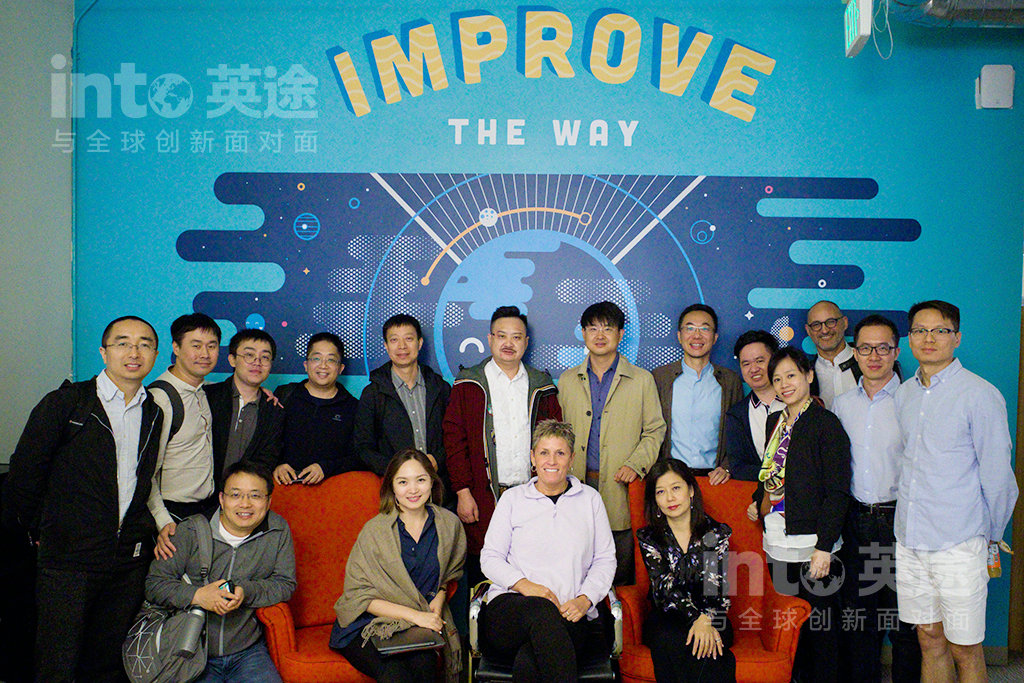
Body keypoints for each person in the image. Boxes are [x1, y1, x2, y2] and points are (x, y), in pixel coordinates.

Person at [4, 316, 163, 682]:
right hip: (70, 558)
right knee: (57, 663)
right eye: (123, 343)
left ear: (155, 354)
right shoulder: (67, 403)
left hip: (126, 562)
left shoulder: (153, 410)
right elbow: (24, 474)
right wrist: (40, 530)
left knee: (106, 664)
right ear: (103, 352)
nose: (134, 352)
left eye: (144, 344)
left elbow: (143, 479)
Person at [894, 300, 1018, 683]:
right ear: (910, 338)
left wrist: (989, 536)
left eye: (940, 330)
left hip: (959, 543)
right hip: (910, 540)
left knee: (966, 648)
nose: (928, 338)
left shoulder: (979, 394)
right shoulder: (905, 394)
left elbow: (999, 479)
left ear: (957, 337)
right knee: (928, 639)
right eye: (919, 330)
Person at [480, 420, 616, 682]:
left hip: (570, 612)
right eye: (544, 452)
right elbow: (490, 558)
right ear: (533, 457)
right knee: (542, 611)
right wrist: (529, 587)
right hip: (511, 608)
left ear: (572, 459)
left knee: (529, 663)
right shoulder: (512, 499)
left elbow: (605, 560)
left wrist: (585, 599)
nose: (551, 461)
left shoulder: (590, 499)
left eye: (560, 453)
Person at [746, 346, 851, 683]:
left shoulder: (825, 423)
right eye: (777, 379)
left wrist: (824, 547)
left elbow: (837, 491)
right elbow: (769, 472)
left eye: (791, 375)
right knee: (791, 629)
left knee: (822, 630)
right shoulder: (776, 421)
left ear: (808, 375)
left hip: (813, 546)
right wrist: (758, 500)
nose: (784, 384)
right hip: (778, 542)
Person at [145, 461, 296, 682]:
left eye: (255, 496)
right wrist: (198, 596)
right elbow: (154, 584)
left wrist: (246, 591)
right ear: (222, 499)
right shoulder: (189, 530)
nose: (245, 504)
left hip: (248, 651)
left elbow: (285, 584)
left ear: (268, 501)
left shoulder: (277, 529)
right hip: (192, 651)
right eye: (236, 495)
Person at [443, 305, 561, 581]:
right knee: (485, 570)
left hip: (533, 494)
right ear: (490, 339)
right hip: (483, 496)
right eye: (502, 336)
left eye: (516, 337)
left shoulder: (541, 385)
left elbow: (555, 440)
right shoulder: (469, 383)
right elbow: (454, 439)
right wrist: (462, 492)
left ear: (526, 342)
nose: (509, 343)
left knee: (534, 569)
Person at [833, 314, 920, 683]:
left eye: (883, 348)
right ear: (855, 352)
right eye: (866, 348)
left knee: (904, 621)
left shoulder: (914, 400)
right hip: (855, 521)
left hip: (900, 521)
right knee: (859, 620)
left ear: (897, 352)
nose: (874, 356)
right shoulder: (841, 405)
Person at [331, 450, 466, 683]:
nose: (413, 490)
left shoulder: (449, 524)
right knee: (394, 674)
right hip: (366, 623)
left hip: (416, 625)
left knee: (425, 666)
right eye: (403, 482)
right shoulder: (375, 531)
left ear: (432, 482)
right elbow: (360, 597)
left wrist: (440, 594)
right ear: (392, 487)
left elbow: (449, 574)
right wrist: (417, 616)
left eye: (420, 480)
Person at [557, 301, 665, 584]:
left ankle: (618, 615)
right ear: (583, 333)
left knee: (619, 569)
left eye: (608, 328)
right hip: (575, 484)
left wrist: (635, 464)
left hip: (620, 487)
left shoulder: (641, 380)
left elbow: (655, 430)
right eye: (593, 328)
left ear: (620, 334)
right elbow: (558, 434)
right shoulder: (567, 380)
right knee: (574, 568)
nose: (600, 335)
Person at [638, 459, 736, 683]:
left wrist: (705, 619)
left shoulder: (715, 534)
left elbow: (717, 589)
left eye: (676, 488)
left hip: (713, 616)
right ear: (655, 499)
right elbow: (664, 588)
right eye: (661, 492)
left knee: (703, 645)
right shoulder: (650, 538)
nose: (670, 498)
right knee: (671, 640)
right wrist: (695, 619)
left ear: (691, 490)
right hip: (667, 618)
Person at [148, 312, 221, 561]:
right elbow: (145, 472)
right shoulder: (160, 399)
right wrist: (163, 521)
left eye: (212, 346)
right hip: (171, 515)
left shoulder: (204, 390)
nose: (205, 354)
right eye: (196, 345)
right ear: (176, 348)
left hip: (206, 510)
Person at [354, 315, 452, 498]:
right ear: (386, 345)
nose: (402, 346)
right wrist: (398, 469)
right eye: (394, 340)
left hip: (440, 490)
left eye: (408, 338)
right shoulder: (373, 393)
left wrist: (437, 460)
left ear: (419, 343)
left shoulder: (440, 388)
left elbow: (455, 436)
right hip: (396, 494)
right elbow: (363, 447)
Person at [653, 304, 742, 484]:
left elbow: (739, 433)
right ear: (679, 336)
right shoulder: (660, 378)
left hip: (714, 480)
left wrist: (727, 467)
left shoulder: (729, 381)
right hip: (670, 478)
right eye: (690, 328)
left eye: (705, 329)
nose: (697, 335)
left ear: (715, 338)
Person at [274, 332, 360, 486]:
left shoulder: (353, 407)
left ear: (340, 368)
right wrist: (276, 465)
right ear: (306, 365)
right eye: (316, 358)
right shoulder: (284, 395)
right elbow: (265, 441)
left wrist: (326, 468)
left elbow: (359, 456)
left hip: (331, 492)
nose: (323, 366)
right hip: (284, 490)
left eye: (331, 360)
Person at [205, 329, 284, 492]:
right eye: (249, 355)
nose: (257, 362)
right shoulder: (207, 397)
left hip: (244, 498)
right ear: (232, 359)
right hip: (202, 495)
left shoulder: (274, 411)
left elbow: (267, 459)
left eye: (265, 357)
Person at [722, 330, 783, 482]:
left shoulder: (797, 402)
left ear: (775, 361)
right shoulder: (736, 415)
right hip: (760, 493)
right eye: (746, 364)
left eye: (760, 361)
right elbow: (738, 468)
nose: (754, 369)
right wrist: (776, 475)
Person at [804, 300, 858, 409]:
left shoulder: (869, 362)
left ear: (845, 323)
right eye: (816, 325)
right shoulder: (804, 375)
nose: (824, 330)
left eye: (831, 322)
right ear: (808, 331)